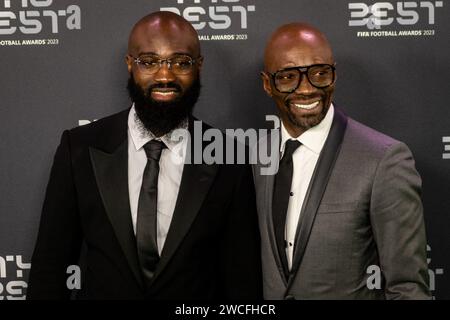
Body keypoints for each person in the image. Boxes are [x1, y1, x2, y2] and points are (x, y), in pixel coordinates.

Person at [27, 11, 262, 300]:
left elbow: (242, 280)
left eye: (181, 62)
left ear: (199, 66)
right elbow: (49, 268)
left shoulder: (230, 155)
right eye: (149, 62)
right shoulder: (79, 148)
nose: (165, 76)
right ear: (130, 65)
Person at [253, 22, 430, 299]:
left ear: (334, 75)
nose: (306, 89)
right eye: (288, 76)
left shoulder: (384, 160)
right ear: (267, 84)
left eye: (319, 73)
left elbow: (407, 288)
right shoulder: (252, 158)